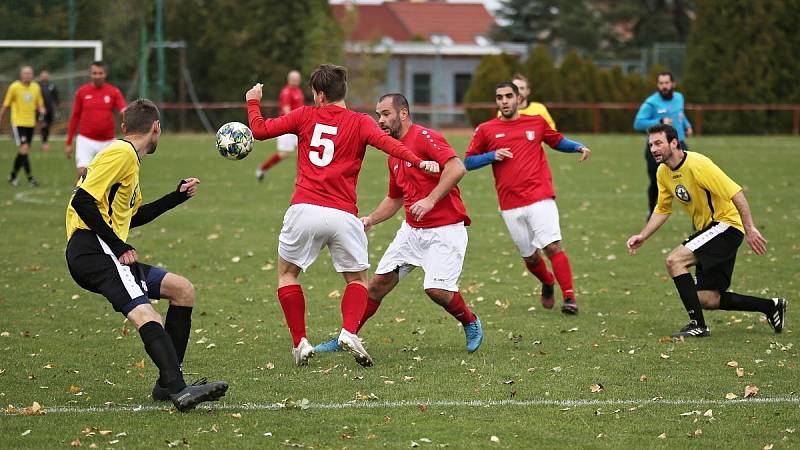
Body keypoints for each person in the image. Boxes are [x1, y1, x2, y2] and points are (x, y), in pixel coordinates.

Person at [245, 64, 440, 367]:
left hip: (304, 210)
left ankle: (300, 342)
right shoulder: (361, 122)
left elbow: (259, 130)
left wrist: (253, 101)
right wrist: (418, 161)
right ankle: (349, 331)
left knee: (287, 274)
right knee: (358, 280)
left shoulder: (304, 115)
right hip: (343, 215)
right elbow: (389, 144)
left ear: (320, 95)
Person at [65, 98, 228, 411]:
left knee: (182, 290)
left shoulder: (127, 159)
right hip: (93, 248)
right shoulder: (121, 153)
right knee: (145, 313)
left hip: (100, 248)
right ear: (157, 128)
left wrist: (175, 197)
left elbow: (133, 216)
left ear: (125, 126)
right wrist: (118, 246)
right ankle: (180, 390)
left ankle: (167, 384)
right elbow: (82, 202)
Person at [315, 93, 483, 355]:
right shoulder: (394, 154)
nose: (380, 120)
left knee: (437, 290)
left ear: (403, 113)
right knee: (375, 287)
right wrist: (371, 219)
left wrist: (430, 200)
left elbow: (457, 167)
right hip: (412, 233)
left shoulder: (426, 137)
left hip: (446, 230)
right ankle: (345, 337)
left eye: (385, 114)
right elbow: (395, 199)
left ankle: (470, 321)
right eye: (378, 114)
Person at [626, 124, 786, 337]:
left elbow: (736, 193)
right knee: (706, 298)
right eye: (650, 145)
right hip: (711, 230)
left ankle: (698, 325)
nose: (653, 149)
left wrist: (750, 229)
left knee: (675, 260)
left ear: (674, 143)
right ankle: (770, 306)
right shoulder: (663, 172)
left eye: (658, 143)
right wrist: (642, 235)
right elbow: (663, 209)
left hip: (725, 226)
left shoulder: (698, 164)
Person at [465, 81, 591, 314]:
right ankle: (547, 282)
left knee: (552, 246)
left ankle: (569, 298)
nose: (504, 101)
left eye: (508, 96)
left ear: (518, 98)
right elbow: (468, 162)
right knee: (530, 258)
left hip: (540, 195)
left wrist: (577, 147)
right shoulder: (486, 129)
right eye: (499, 97)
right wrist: (492, 155)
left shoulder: (536, 122)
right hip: (509, 202)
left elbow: (557, 141)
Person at [634, 72, 693, 217]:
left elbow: (680, 114)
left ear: (673, 84)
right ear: (657, 85)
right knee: (656, 182)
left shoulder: (679, 98)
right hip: (657, 148)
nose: (664, 86)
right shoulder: (651, 103)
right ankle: (651, 210)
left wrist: (687, 125)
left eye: (667, 83)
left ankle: (697, 215)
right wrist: (660, 121)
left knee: (691, 179)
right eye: (661, 83)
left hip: (679, 145)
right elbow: (638, 123)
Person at [66, 61, 127, 178]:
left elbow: (123, 111)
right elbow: (75, 117)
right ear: (90, 74)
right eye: (94, 73)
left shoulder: (114, 92)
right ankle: (79, 195)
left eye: (100, 73)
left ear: (105, 74)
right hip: (86, 140)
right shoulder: (82, 92)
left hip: (108, 141)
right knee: (82, 174)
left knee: (109, 177)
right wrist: (68, 142)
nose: (97, 76)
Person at [255, 70, 304, 182]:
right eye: (293, 78)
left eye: (297, 78)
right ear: (289, 79)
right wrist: (295, 122)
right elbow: (286, 110)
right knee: (284, 154)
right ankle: (262, 168)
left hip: (298, 127)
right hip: (287, 126)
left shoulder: (299, 91)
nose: (295, 80)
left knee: (302, 151)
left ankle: (301, 177)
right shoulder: (286, 92)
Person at [0, 65, 45, 186]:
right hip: (18, 122)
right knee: (24, 148)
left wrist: (42, 109)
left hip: (31, 123)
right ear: (21, 75)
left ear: (32, 74)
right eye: (25, 73)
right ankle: (31, 178)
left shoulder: (35, 87)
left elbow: (39, 103)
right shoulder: (14, 87)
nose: (27, 75)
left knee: (23, 151)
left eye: (29, 73)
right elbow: (6, 104)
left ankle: (13, 175)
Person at [38, 69, 60, 152]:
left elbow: (56, 97)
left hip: (50, 110)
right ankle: (44, 143)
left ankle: (45, 142)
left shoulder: (52, 85)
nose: (44, 77)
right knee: (43, 126)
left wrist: (57, 105)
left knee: (48, 126)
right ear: (41, 77)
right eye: (43, 75)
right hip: (41, 110)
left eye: (46, 75)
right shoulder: (37, 86)